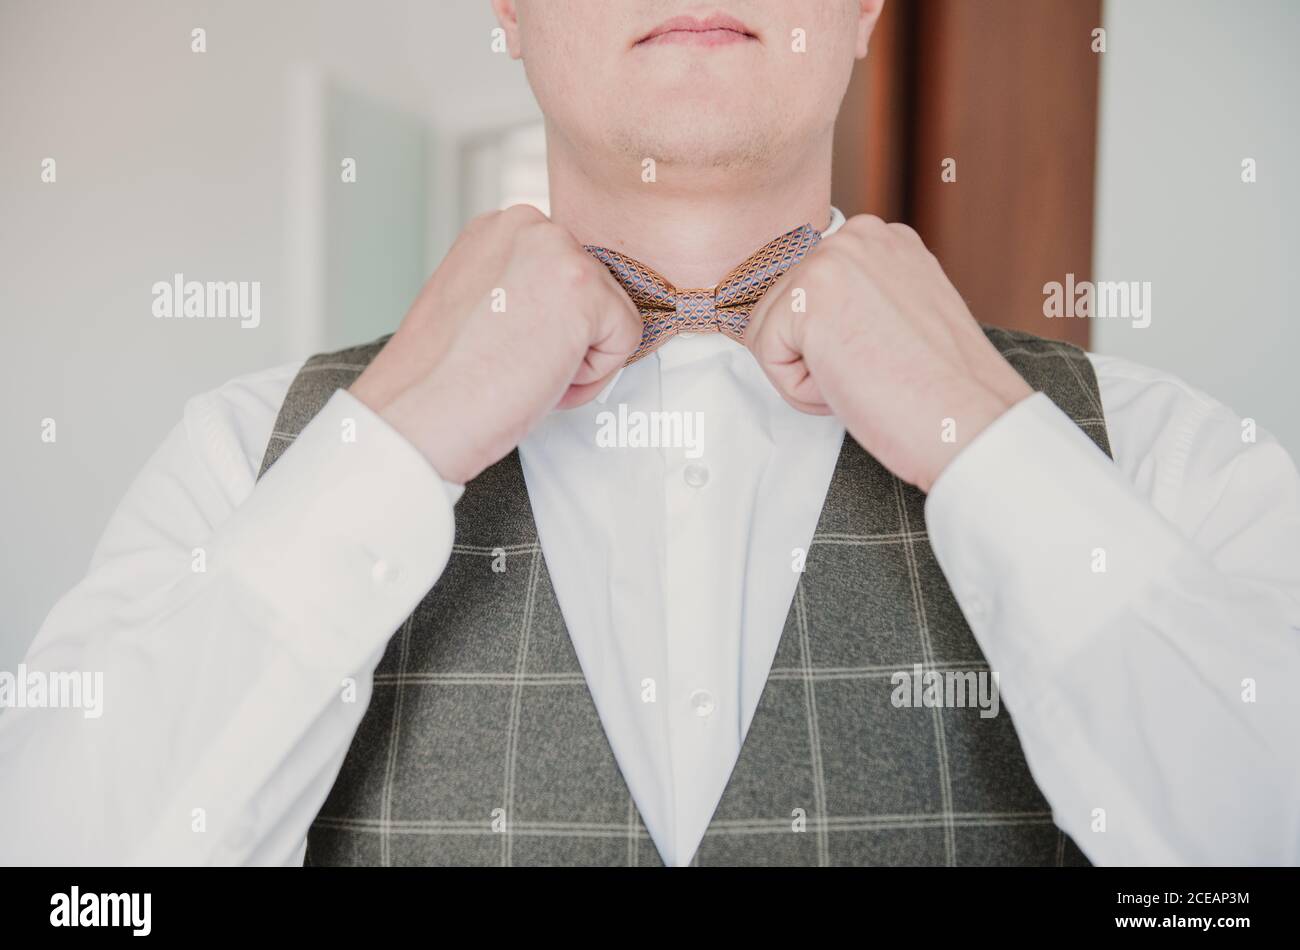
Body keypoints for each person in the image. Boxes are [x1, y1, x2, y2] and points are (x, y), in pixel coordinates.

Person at [2, 0, 1297, 867]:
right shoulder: (245, 452)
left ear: (862, 6)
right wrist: (392, 443)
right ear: (507, 4)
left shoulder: (1156, 452)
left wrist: (995, 451)